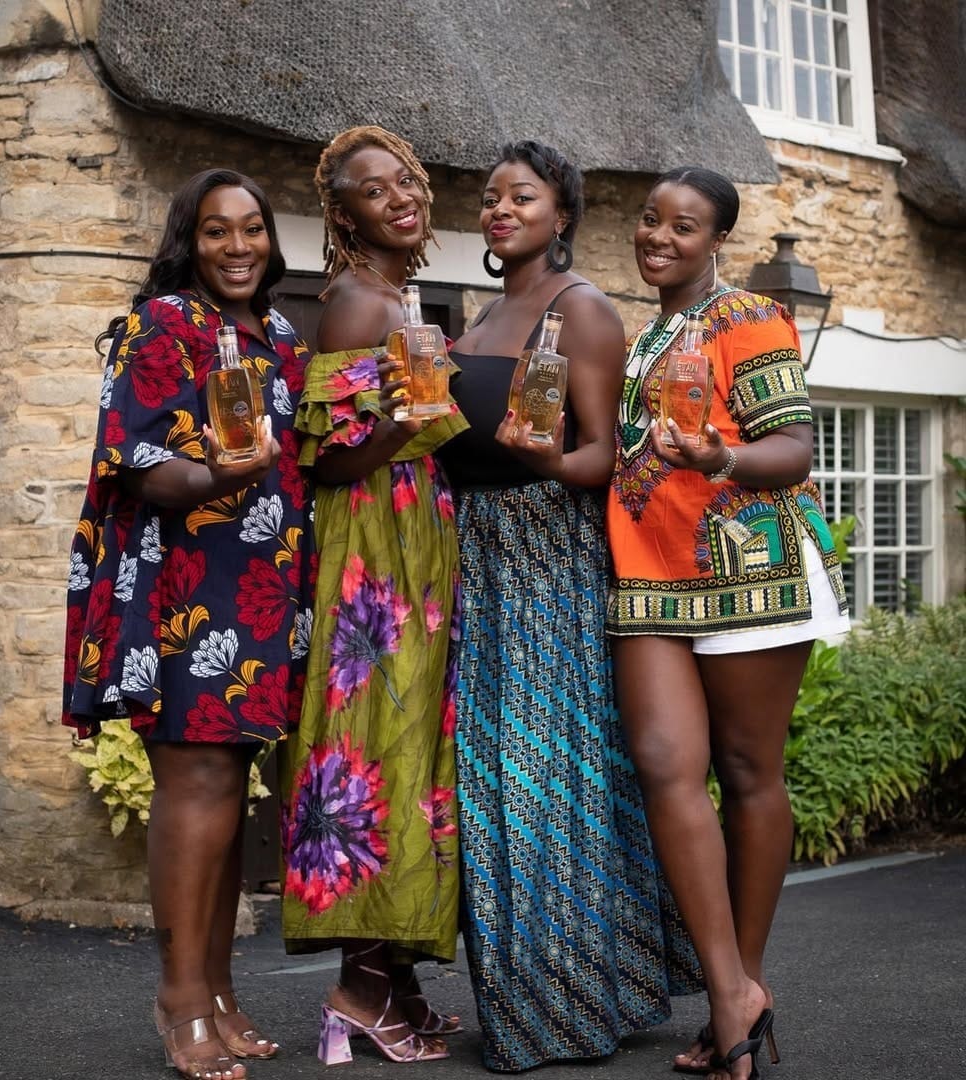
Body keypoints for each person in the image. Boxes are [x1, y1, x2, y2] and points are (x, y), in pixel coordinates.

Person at [437, 139, 701, 1073]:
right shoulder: (478, 316)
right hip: (479, 566)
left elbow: (606, 456)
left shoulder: (579, 308)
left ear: (561, 214)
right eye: (491, 196)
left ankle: (578, 1004)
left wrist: (547, 460)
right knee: (490, 790)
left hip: (548, 563)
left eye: (522, 197)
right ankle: (540, 1000)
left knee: (549, 786)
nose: (500, 209)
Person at [62, 169, 312, 1080]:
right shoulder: (161, 325)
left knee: (230, 785)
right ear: (189, 241)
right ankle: (179, 997)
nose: (238, 246)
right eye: (217, 231)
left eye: (252, 229)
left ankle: (219, 991)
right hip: (189, 587)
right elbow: (136, 462)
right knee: (197, 782)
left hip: (268, 586)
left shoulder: (283, 335)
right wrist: (219, 477)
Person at [606, 166, 850, 1080]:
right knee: (666, 765)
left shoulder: (747, 316)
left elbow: (794, 448)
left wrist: (722, 456)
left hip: (751, 571)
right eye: (651, 220)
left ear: (717, 241)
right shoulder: (645, 338)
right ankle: (730, 989)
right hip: (650, 577)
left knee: (749, 773)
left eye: (684, 225)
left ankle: (739, 990)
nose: (659, 236)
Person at [279, 126, 467, 1065]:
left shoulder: (400, 298)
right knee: (371, 745)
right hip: (373, 555)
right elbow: (327, 461)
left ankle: (397, 977)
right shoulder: (357, 301)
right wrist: (402, 421)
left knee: (411, 750)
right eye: (373, 189)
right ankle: (357, 990)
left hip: (415, 539)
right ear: (343, 214)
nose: (400, 197)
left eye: (406, 181)